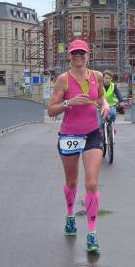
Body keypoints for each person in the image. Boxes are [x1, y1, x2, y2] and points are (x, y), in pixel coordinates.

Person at [47, 39, 110, 253]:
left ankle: (92, 234)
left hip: (92, 133)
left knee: (91, 183)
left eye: (82, 53)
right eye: (75, 53)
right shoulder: (63, 80)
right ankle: (70, 216)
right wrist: (69, 103)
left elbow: (100, 97)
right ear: (70, 57)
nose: (78, 56)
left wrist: (105, 105)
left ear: (88, 55)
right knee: (72, 182)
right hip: (69, 135)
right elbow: (51, 110)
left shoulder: (97, 76)